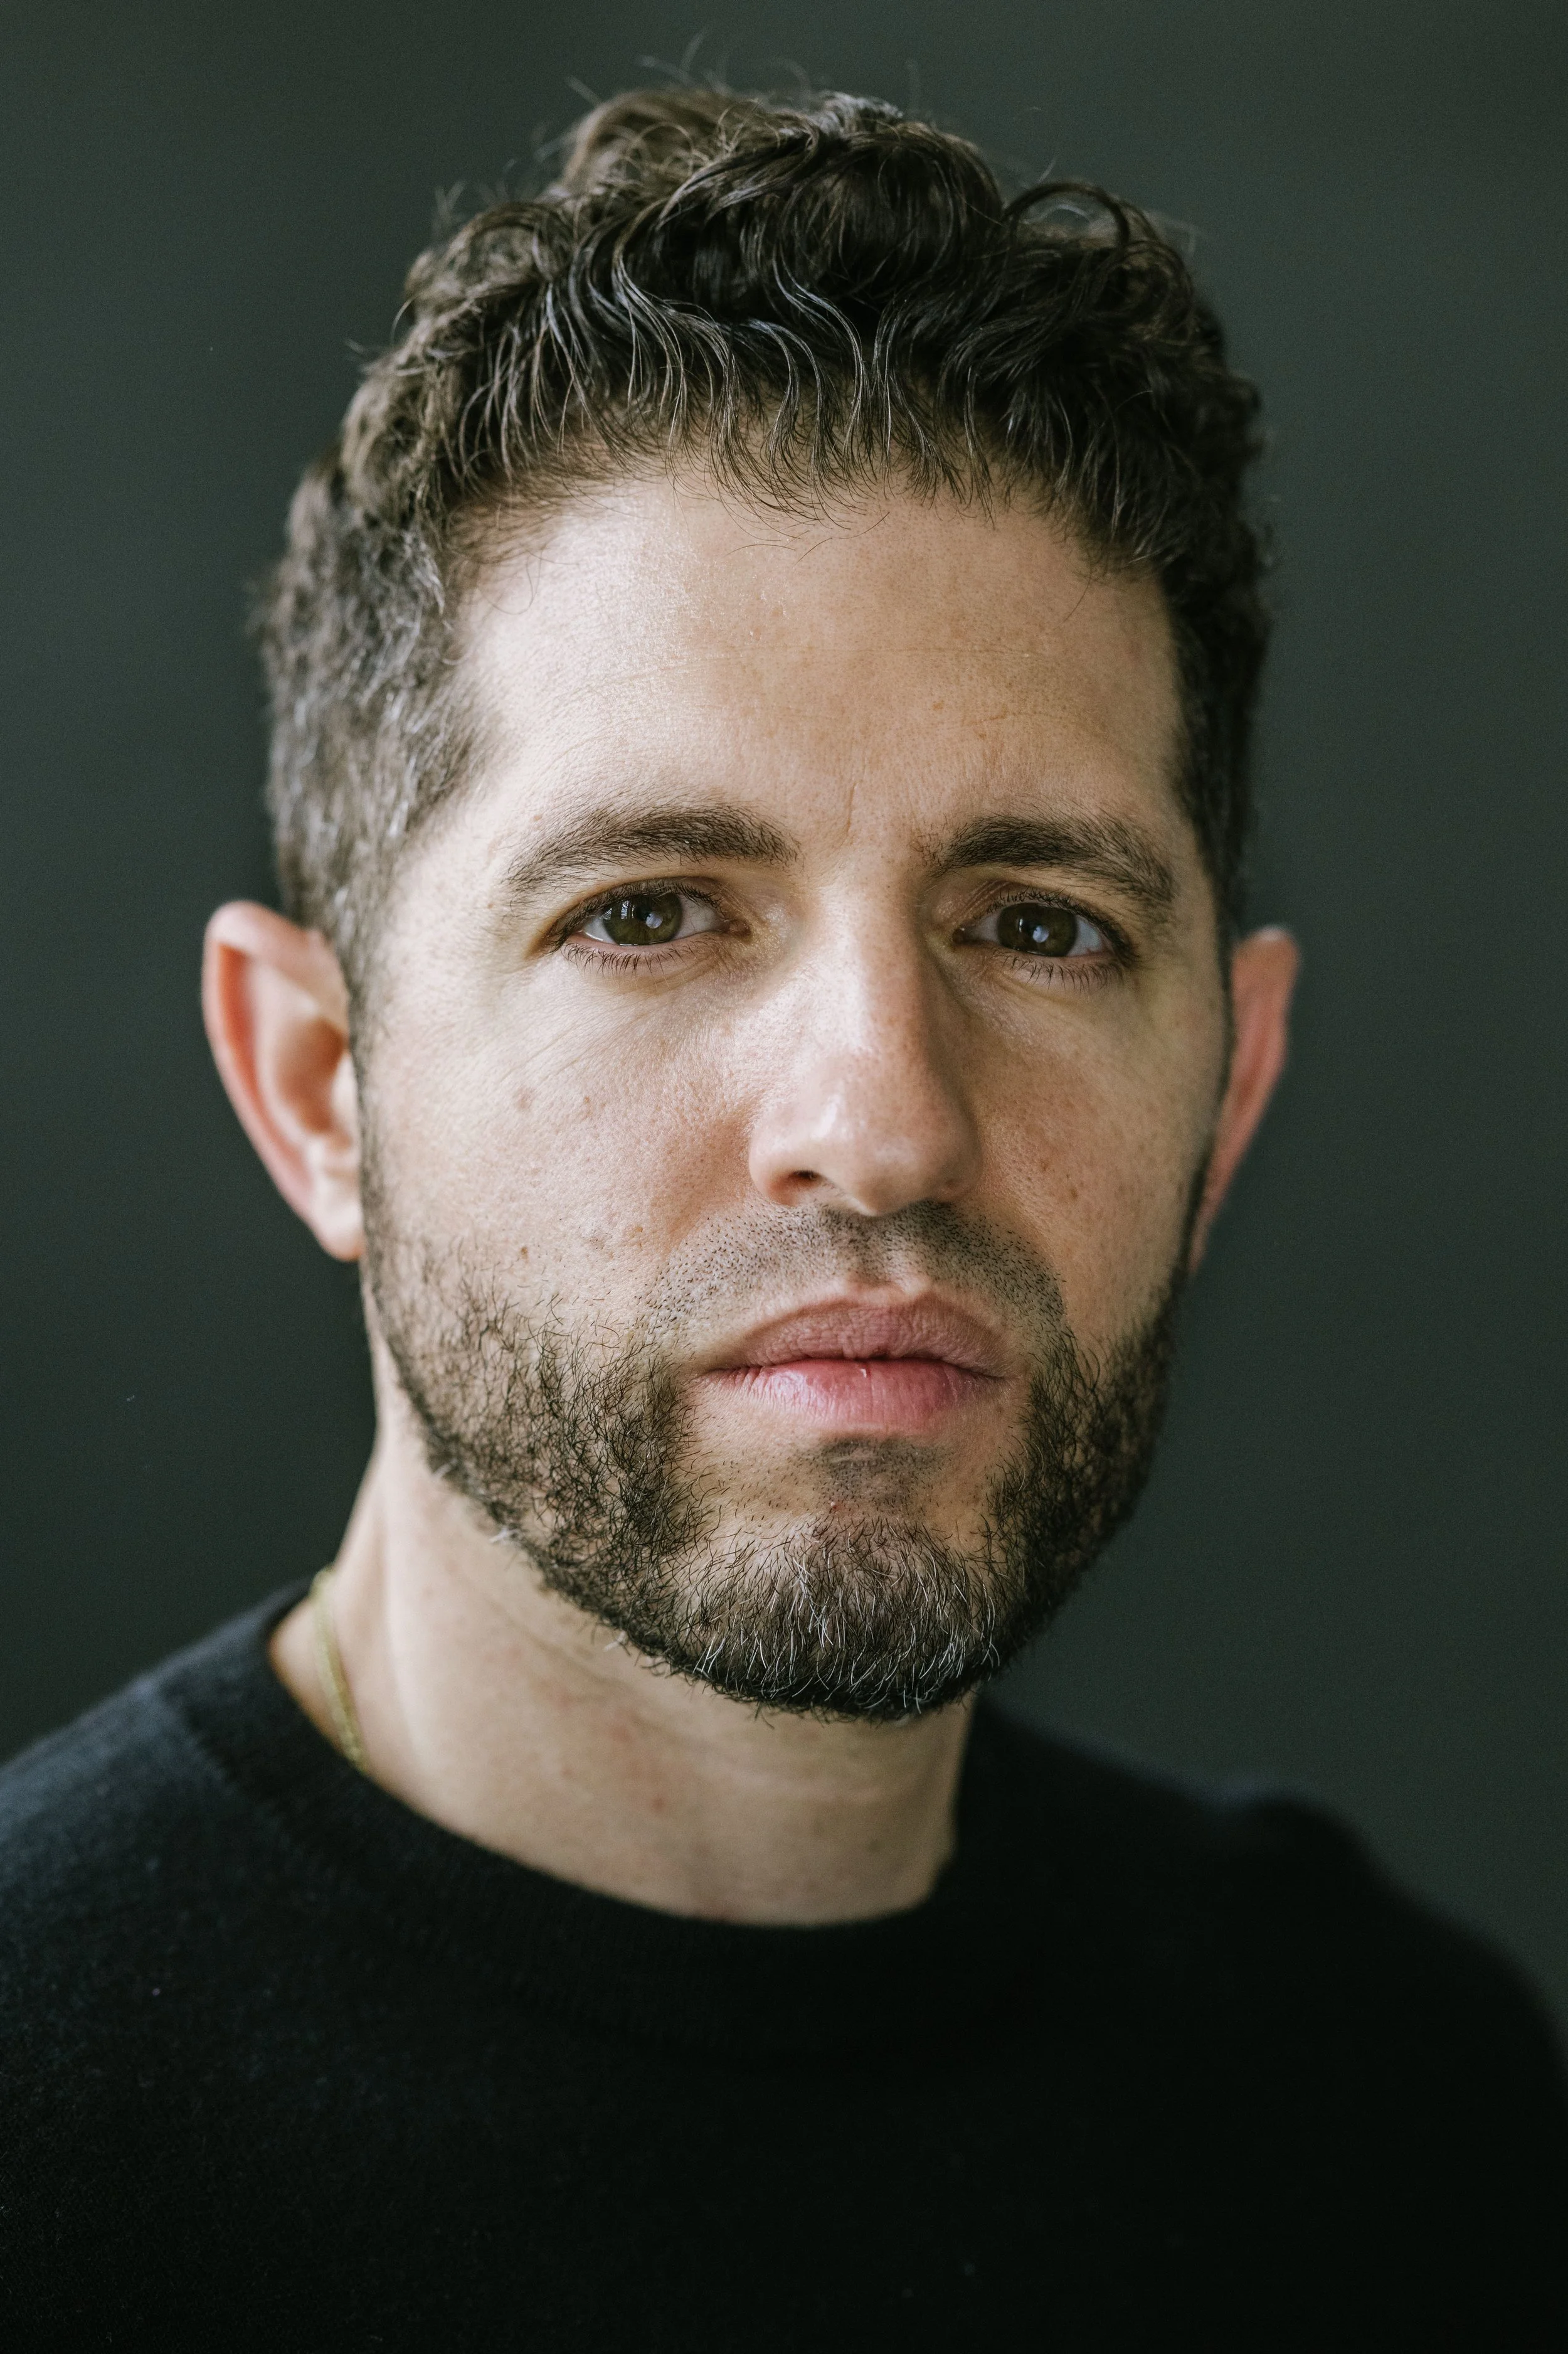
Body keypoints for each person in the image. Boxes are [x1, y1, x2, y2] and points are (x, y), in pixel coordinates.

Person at [1, 85, 1562, 2350]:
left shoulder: (1389, 2109)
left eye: (1037, 927)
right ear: (320, 1086)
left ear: (1228, 1087)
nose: (885, 1124)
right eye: (651, 911)